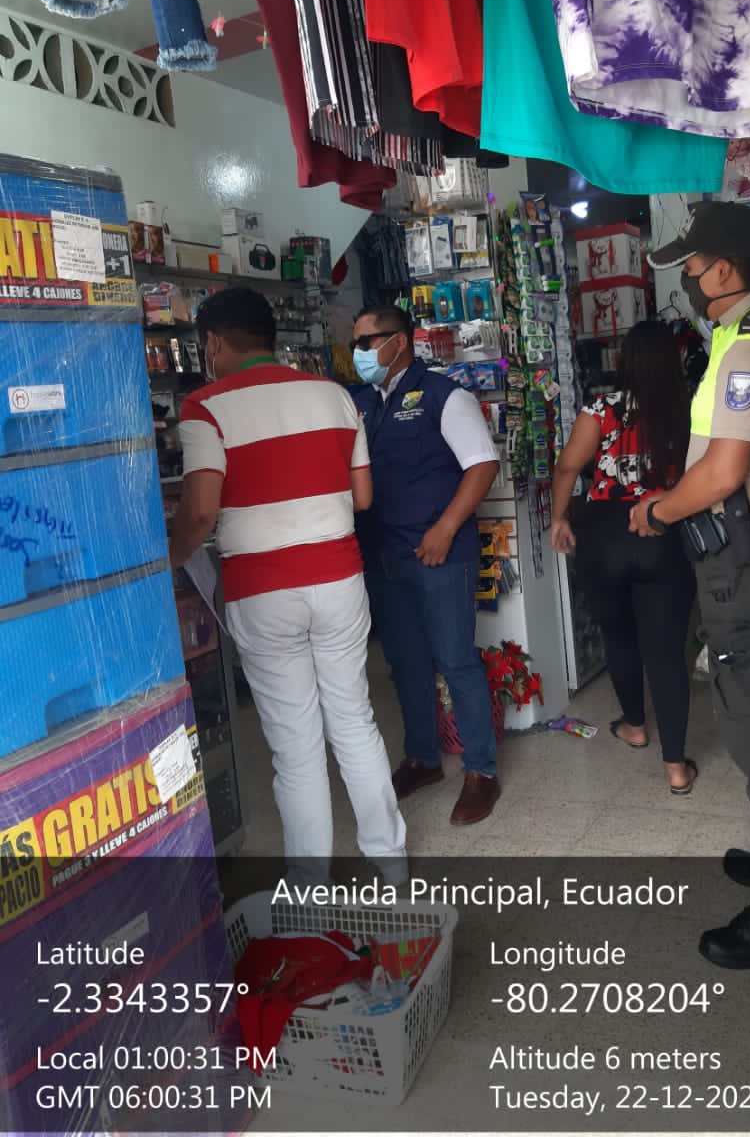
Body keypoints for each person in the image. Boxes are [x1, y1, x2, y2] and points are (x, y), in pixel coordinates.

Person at [635, 201, 750, 970]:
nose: (684, 280)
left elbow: (721, 473)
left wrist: (657, 510)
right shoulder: (748, 332)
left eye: (689, 266)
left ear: (721, 270)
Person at [169, 287, 406, 883]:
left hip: (263, 591)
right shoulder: (335, 396)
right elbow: (363, 497)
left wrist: (171, 555)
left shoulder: (204, 407)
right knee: (354, 720)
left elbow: (200, 512)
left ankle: (309, 884)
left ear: (214, 343)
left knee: (295, 745)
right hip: (340, 580)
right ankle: (391, 863)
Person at [350, 305, 502, 825]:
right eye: (356, 343)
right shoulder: (361, 403)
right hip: (384, 555)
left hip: (440, 554)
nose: (360, 352)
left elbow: (482, 465)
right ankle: (423, 758)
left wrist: (446, 527)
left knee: (455, 661)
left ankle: (480, 771)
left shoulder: (444, 396)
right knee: (406, 664)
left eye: (368, 342)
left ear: (401, 341)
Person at [549, 322, 697, 796]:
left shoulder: (601, 409)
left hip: (605, 533)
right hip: (664, 528)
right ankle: (676, 766)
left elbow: (568, 467)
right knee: (667, 652)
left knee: (619, 635)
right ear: (674, 360)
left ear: (624, 360)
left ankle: (634, 726)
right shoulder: (692, 407)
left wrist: (559, 518)